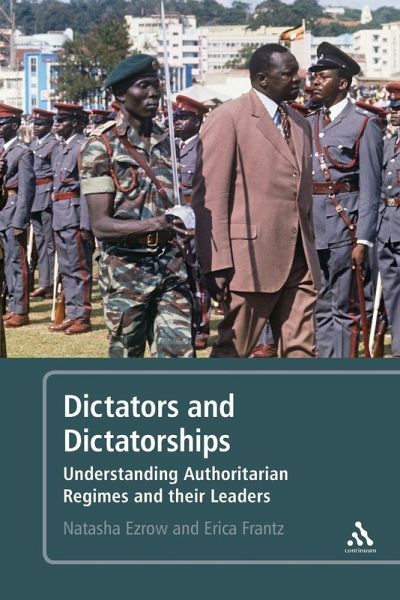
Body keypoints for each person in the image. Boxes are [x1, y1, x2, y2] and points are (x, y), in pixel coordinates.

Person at [191, 43, 321, 358]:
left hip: (299, 259)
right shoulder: (229, 117)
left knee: (302, 350)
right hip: (248, 262)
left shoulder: (299, 123)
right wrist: (216, 262)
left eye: (297, 72)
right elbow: (211, 195)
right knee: (232, 350)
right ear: (263, 78)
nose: (297, 80)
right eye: (288, 73)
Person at [79, 54, 194, 358]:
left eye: (156, 85)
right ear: (120, 95)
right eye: (143, 86)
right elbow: (101, 226)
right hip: (126, 271)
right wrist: (158, 224)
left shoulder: (169, 142)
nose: (153, 93)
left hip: (171, 266)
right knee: (127, 359)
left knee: (179, 356)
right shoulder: (100, 146)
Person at [307, 42, 383, 357]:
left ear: (342, 83)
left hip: (346, 230)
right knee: (321, 307)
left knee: (345, 309)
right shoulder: (309, 123)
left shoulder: (364, 123)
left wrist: (363, 240)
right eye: (314, 76)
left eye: (322, 76)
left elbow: (371, 188)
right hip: (315, 232)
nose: (315, 82)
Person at [49, 102, 93, 335]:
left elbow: (86, 187)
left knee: (79, 267)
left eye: (61, 120)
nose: (56, 124)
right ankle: (72, 312)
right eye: (56, 120)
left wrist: (86, 223)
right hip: (60, 213)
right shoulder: (60, 148)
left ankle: (82, 315)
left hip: (75, 214)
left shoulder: (82, 147)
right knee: (66, 267)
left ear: (74, 123)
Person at [174, 94, 211, 351]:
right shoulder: (172, 147)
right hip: (173, 218)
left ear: (197, 121)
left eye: (184, 118)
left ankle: (200, 326)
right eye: (176, 117)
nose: (177, 122)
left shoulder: (202, 148)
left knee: (197, 275)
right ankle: (181, 323)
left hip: (194, 217)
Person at [0, 103, 35, 328]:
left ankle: (20, 310)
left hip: (13, 213)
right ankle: (12, 305)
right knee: (7, 264)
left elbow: (26, 189)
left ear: (14, 125)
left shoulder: (23, 152)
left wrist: (20, 220)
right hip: (3, 212)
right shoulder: (3, 150)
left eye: (2, 124)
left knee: (17, 261)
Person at [376, 82, 400, 357]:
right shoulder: (389, 145)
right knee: (392, 292)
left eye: (398, 107)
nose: (393, 112)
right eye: (392, 107)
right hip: (386, 227)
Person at [29, 108, 58, 299]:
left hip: (47, 196)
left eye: (40, 124)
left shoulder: (53, 144)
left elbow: (57, 172)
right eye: (34, 124)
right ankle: (44, 282)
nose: (35, 127)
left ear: (49, 125)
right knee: (39, 242)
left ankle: (53, 283)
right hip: (34, 197)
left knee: (50, 242)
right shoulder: (33, 144)